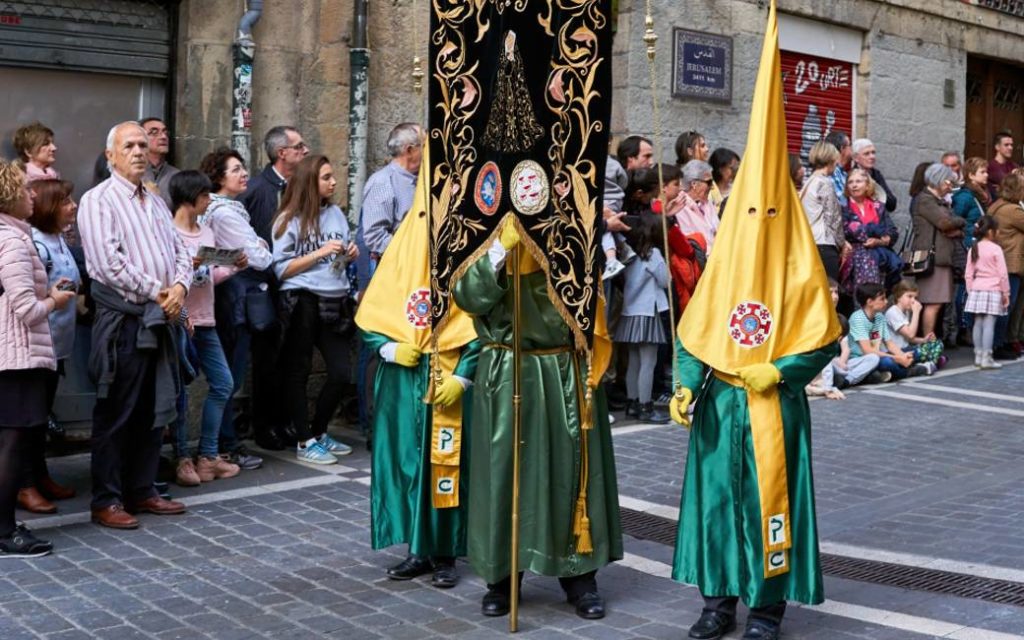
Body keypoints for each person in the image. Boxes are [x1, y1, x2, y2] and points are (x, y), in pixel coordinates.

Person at [453, 221, 622, 620]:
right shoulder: (482, 224)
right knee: (504, 474)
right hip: (508, 365)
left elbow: (588, 300)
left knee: (571, 473)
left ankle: (579, 576)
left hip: (563, 364)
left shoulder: (572, 224)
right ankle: (502, 576)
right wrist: (498, 251)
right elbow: (467, 296)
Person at [356, 155, 480, 588]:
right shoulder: (400, 249)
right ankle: (416, 546)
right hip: (402, 378)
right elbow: (373, 315)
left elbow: (482, 325)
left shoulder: (469, 251)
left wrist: (464, 374)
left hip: (444, 376)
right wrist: (387, 347)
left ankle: (444, 550)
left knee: (443, 465)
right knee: (406, 463)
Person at [79, 121, 192, 530]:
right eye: (129, 145)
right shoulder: (99, 200)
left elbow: (180, 247)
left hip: (158, 317)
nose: (139, 152)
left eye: (143, 145)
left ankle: (142, 488)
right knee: (116, 411)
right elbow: (108, 264)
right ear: (111, 155)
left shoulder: (156, 201)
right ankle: (106, 499)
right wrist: (160, 293)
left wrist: (180, 284)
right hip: (125, 321)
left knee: (152, 410)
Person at [0, 161, 74, 558]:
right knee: (14, 443)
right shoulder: (12, 241)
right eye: (27, 190)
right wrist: (56, 300)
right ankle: (4, 530)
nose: (33, 195)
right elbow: (26, 308)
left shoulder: (13, 236)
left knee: (12, 442)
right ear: (10, 195)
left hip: (11, 354)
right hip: (17, 357)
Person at [273, 155, 359, 464]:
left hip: (334, 300)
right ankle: (303, 439)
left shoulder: (335, 213)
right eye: (326, 177)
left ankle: (319, 431)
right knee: (299, 370)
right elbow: (281, 269)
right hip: (302, 299)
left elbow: (338, 255)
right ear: (311, 181)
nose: (334, 182)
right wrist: (319, 252)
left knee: (340, 371)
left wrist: (349, 253)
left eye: (332, 176)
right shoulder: (289, 219)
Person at [169, 170, 245, 486]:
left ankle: (208, 455)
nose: (208, 202)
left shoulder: (206, 232)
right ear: (191, 198)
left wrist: (230, 268)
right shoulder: (168, 233)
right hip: (181, 321)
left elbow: (208, 278)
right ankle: (181, 457)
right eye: (204, 196)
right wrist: (190, 267)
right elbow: (167, 276)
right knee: (178, 392)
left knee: (223, 383)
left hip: (207, 320)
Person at [198, 147, 271, 464]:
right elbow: (261, 257)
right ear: (219, 177)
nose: (244, 174)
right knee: (229, 376)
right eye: (236, 169)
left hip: (223, 296)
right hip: (233, 298)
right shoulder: (225, 213)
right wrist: (258, 248)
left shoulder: (216, 210)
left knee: (225, 375)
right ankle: (224, 445)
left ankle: (220, 445)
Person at [20, 179, 81, 514]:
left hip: (58, 345)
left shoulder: (59, 241)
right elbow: (31, 297)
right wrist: (55, 299)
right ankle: (24, 483)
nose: (72, 206)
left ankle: (40, 474)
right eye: (65, 201)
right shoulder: (37, 245)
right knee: (29, 418)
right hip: (38, 345)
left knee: (41, 417)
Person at [615, 215, 670, 423]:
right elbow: (665, 281)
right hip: (648, 311)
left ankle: (632, 402)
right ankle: (646, 406)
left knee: (634, 362)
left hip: (630, 311)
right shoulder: (653, 254)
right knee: (649, 362)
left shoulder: (627, 254)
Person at [911, 163, 966, 338]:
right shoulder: (926, 200)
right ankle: (928, 342)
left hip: (940, 258)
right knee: (932, 304)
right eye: (948, 182)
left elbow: (949, 224)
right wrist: (960, 221)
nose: (950, 187)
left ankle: (930, 340)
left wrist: (953, 224)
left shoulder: (938, 201)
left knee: (937, 304)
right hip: (932, 259)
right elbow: (945, 223)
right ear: (938, 180)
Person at [360, 123, 422, 262]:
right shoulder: (382, 182)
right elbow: (375, 236)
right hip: (399, 269)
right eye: (424, 146)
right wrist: (414, 252)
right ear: (410, 150)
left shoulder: (425, 179)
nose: (428, 151)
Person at [840, 168, 901, 297]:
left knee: (877, 299)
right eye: (850, 182)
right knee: (860, 300)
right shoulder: (843, 206)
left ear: (868, 185)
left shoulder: (878, 206)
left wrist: (878, 241)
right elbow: (845, 230)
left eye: (858, 181)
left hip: (878, 260)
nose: (854, 185)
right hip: (853, 259)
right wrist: (873, 233)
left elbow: (893, 232)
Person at [950, 157, 991, 346]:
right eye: (982, 172)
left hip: (977, 246)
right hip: (967, 246)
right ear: (971, 175)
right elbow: (955, 219)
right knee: (965, 289)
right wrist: (969, 231)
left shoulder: (982, 194)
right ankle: (963, 327)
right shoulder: (965, 196)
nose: (987, 175)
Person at [965, 215, 1010, 369]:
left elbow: (968, 274)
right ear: (991, 232)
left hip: (977, 289)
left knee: (978, 323)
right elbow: (1003, 274)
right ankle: (987, 356)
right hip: (993, 289)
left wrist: (971, 290)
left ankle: (978, 354)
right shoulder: (996, 249)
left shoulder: (974, 248)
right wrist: (1006, 293)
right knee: (989, 324)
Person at [988, 173, 1024, 360]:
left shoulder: (996, 205)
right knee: (1006, 307)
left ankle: (1002, 342)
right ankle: (998, 344)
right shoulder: (1013, 211)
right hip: (1011, 264)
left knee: (1003, 306)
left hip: (999, 262)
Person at [848, 283, 915, 381]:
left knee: (913, 353)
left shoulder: (880, 317)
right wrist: (897, 358)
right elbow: (868, 351)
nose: (886, 301)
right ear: (870, 302)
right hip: (861, 359)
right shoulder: (858, 318)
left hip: (879, 355)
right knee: (888, 362)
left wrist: (902, 356)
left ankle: (880, 375)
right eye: (882, 299)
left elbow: (890, 344)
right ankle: (911, 371)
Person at [800, 141, 847, 281]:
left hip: (809, 243)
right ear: (831, 159)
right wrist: (842, 244)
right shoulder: (825, 182)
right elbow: (833, 217)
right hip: (824, 245)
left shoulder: (808, 183)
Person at [884, 280, 943, 374]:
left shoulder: (906, 311)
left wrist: (924, 340)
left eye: (915, 297)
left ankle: (923, 363)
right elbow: (910, 335)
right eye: (909, 296)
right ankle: (924, 365)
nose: (913, 301)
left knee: (937, 344)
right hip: (896, 351)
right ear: (899, 297)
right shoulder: (893, 312)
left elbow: (909, 339)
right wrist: (916, 312)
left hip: (906, 347)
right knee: (925, 352)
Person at [671, 160, 719, 254]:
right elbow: (690, 241)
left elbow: (718, 229)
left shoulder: (706, 203)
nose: (712, 187)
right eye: (709, 182)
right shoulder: (680, 206)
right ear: (694, 184)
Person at [140, 117, 180, 209]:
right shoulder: (132, 173)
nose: (163, 137)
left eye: (165, 132)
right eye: (154, 133)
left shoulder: (177, 176)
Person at [850, 138, 897, 213]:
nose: (872, 157)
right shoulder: (851, 177)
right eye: (866, 154)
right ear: (856, 158)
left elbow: (892, 204)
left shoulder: (876, 174)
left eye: (873, 152)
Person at [987, 132, 1017, 201]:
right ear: (997, 147)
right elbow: (1009, 184)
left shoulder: (1014, 165)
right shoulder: (991, 166)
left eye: (1011, 145)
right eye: (1006, 145)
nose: (1010, 148)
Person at [824, 130, 852, 206]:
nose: (852, 149)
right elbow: (843, 204)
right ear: (842, 148)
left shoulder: (843, 173)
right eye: (850, 145)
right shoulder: (832, 173)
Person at [708, 148, 739, 212]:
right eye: (733, 168)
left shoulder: (737, 188)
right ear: (721, 169)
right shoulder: (708, 192)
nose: (736, 172)